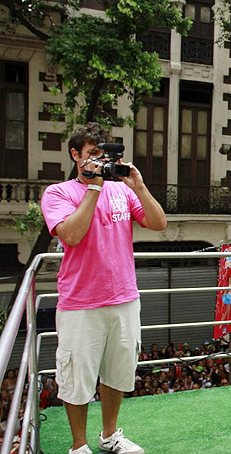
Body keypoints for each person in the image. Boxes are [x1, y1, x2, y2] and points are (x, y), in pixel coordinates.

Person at [41, 123, 167, 454]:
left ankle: (110, 435)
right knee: (76, 378)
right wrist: (93, 189)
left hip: (124, 297)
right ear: (75, 155)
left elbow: (158, 223)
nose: (100, 161)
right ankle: (79, 445)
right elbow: (70, 235)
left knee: (118, 373)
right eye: (93, 154)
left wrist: (138, 187)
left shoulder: (122, 190)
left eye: (105, 155)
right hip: (80, 302)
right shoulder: (58, 192)